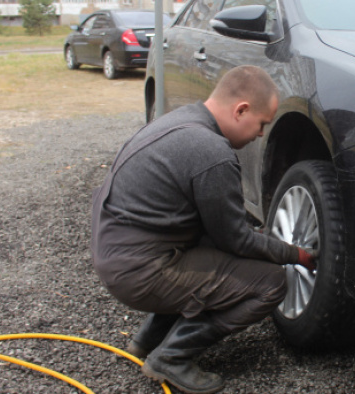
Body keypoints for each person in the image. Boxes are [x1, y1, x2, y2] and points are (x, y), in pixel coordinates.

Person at [90, 65, 315, 394]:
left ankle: (146, 341)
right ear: (241, 110)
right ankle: (171, 357)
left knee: (210, 251)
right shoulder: (212, 153)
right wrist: (293, 253)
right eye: (262, 124)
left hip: (114, 251)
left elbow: (221, 230)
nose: (261, 134)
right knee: (270, 282)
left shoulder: (181, 121)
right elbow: (235, 240)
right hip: (138, 270)